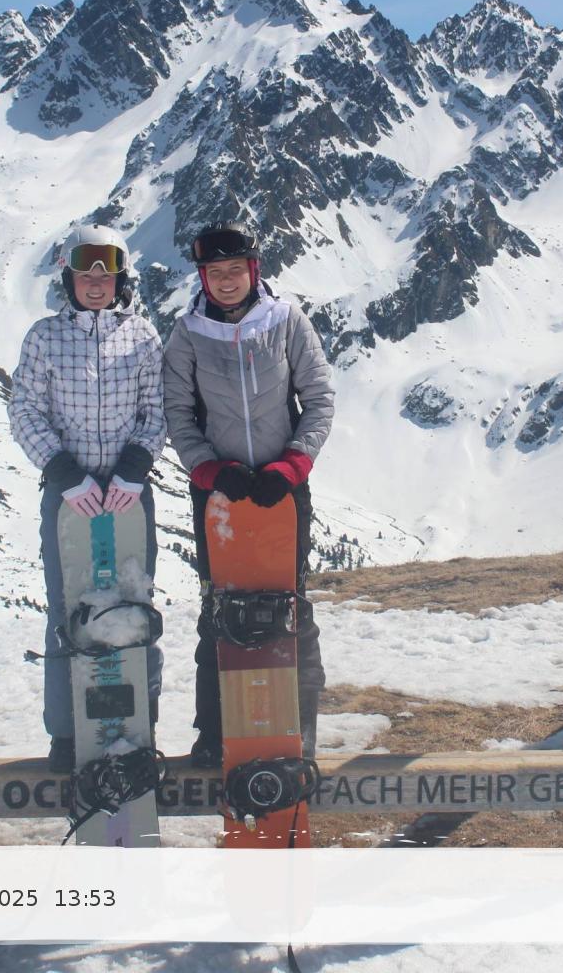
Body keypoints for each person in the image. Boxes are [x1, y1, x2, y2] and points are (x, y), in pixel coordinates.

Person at [161, 221, 334, 767]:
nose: (227, 280)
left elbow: (319, 398)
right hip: (220, 493)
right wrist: (208, 470)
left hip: (282, 490)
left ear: (253, 271)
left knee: (292, 607)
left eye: (236, 269)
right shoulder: (188, 334)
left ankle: (299, 730)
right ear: (202, 278)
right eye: (215, 272)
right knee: (219, 608)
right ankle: (215, 734)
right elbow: (177, 413)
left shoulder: (285, 322)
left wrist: (294, 464)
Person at [9, 225, 165, 774]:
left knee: (134, 603)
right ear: (69, 277)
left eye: (107, 271)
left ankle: (139, 723)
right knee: (68, 608)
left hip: (127, 497)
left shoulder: (142, 336)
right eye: (85, 272)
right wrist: (62, 472)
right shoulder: (45, 337)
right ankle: (67, 733)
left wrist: (134, 468)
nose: (96, 282)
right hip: (68, 495)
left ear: (121, 278)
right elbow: (25, 410)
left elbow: (156, 411)